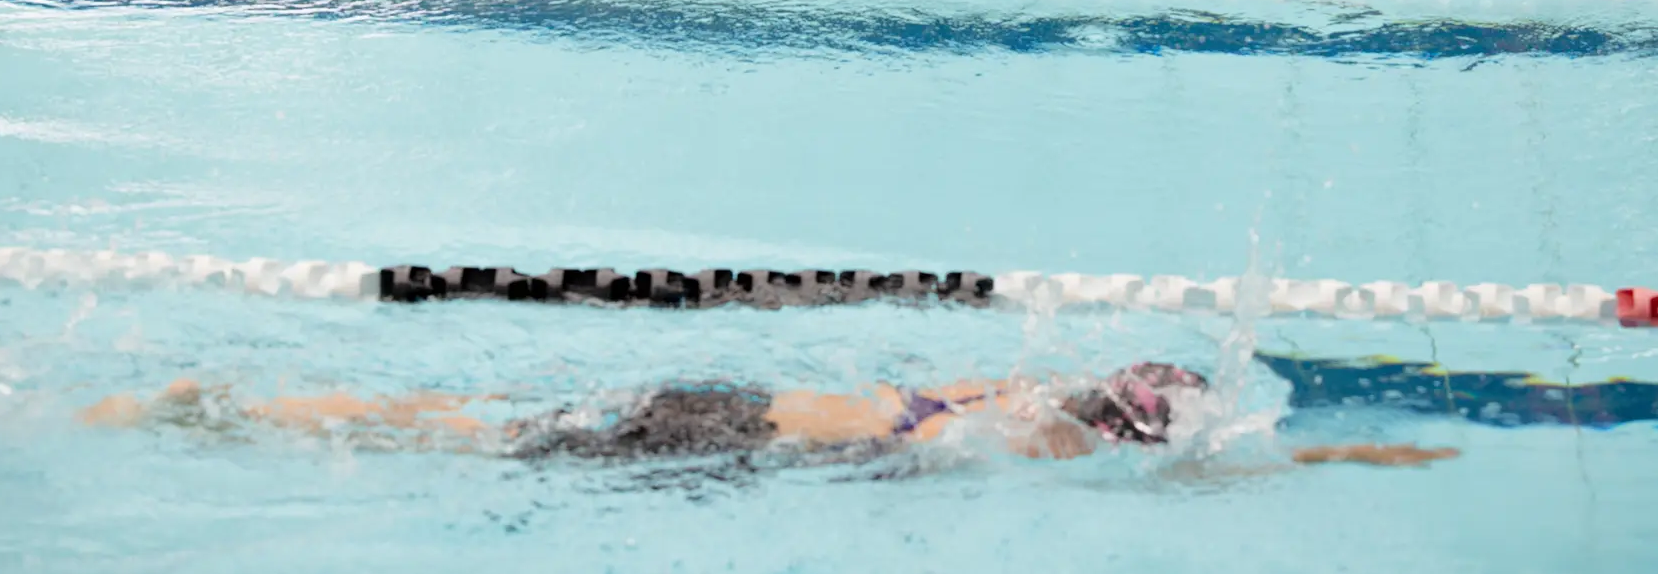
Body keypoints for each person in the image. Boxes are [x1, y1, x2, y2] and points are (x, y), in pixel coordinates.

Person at [80, 361, 1457, 469]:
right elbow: (1210, 473)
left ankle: (235, 406)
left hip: (728, 409)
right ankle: (225, 413)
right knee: (451, 433)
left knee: (455, 416)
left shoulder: (1004, 390)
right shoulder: (1027, 432)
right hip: (722, 440)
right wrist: (1351, 451)